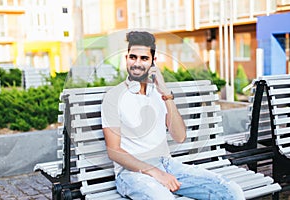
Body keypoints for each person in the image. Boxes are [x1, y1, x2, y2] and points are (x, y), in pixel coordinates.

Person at [101, 31, 245, 200]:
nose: (137, 63)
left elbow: (179, 136)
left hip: (167, 164)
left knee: (231, 191)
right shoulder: (114, 96)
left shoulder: (159, 94)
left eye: (144, 58)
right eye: (133, 57)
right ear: (126, 58)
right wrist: (155, 173)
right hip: (131, 173)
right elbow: (114, 151)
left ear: (153, 62)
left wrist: (166, 93)